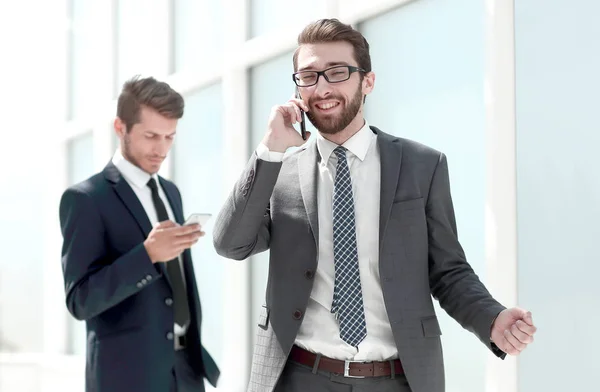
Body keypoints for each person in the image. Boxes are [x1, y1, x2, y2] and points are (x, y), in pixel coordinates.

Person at [213, 19, 536, 392]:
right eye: (308, 76)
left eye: (337, 72)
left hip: (396, 379)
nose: (322, 87)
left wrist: (490, 318)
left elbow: (447, 270)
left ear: (367, 81)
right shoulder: (280, 171)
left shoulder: (422, 166)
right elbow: (230, 244)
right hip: (299, 378)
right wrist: (269, 149)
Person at [59, 76, 219, 392]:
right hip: (127, 378)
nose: (161, 149)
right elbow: (80, 300)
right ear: (121, 128)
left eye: (169, 137)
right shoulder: (86, 199)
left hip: (185, 373)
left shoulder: (170, 192)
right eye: (150, 136)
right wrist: (147, 256)